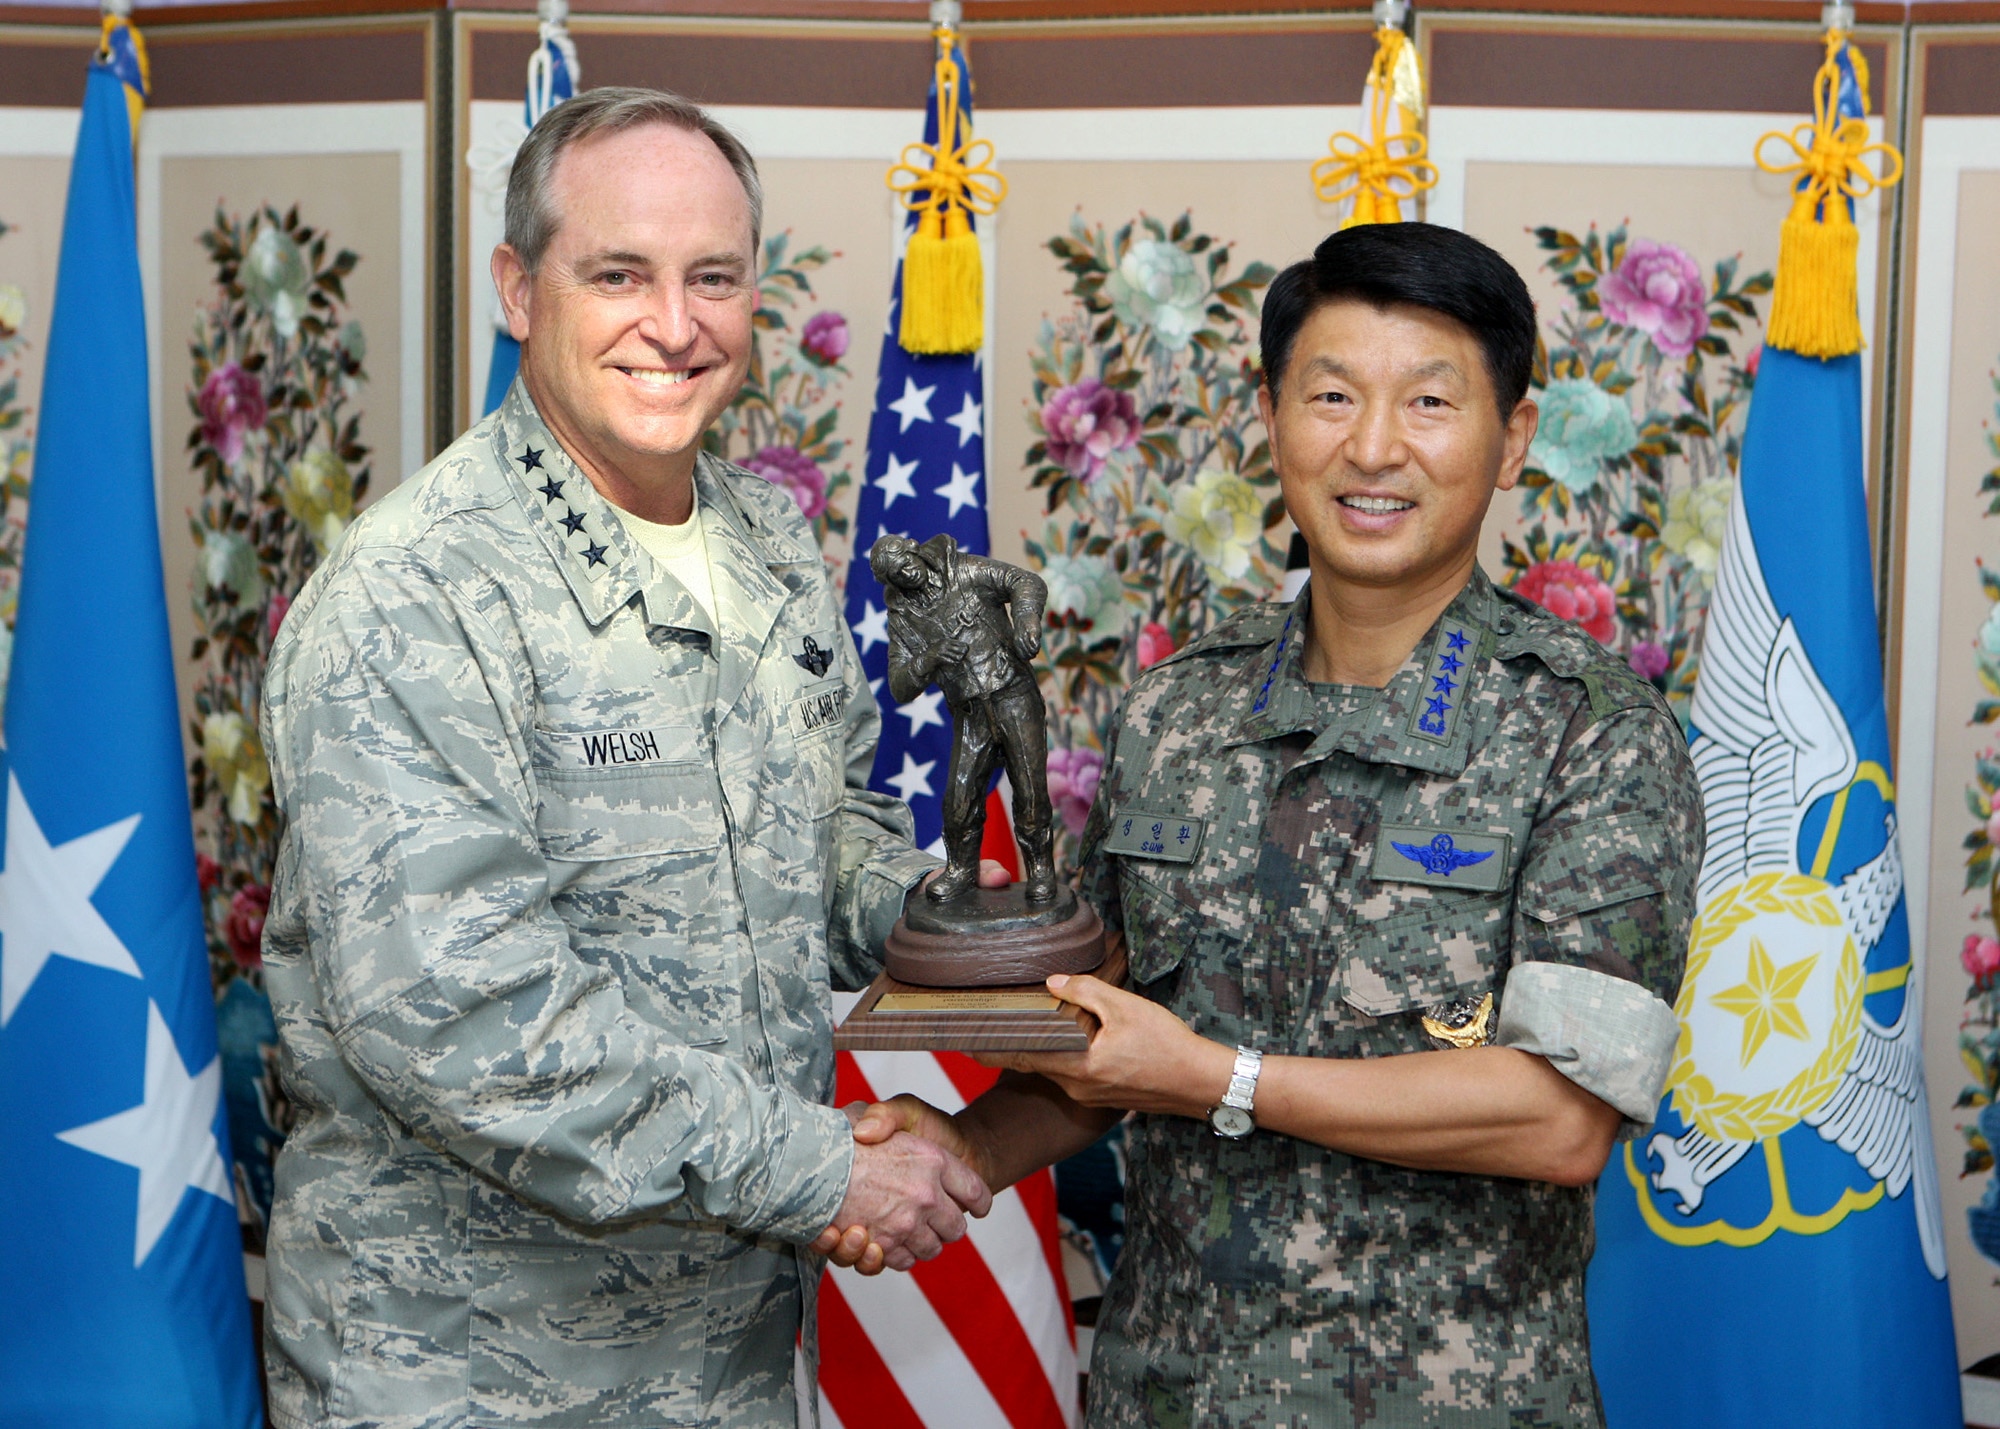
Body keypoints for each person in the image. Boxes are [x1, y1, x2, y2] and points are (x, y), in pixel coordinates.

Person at [826, 223, 1705, 1427]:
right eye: (1331, 395)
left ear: (1513, 439)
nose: (1373, 447)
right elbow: (1110, 1046)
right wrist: (963, 1151)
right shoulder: (1177, 708)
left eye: (1430, 401)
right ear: (1272, 415)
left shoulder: (1592, 731)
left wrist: (1216, 1076)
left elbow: (1554, 1118)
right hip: (1168, 1394)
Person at [257, 87, 996, 1429]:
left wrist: (944, 918)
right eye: (619, 275)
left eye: (713, 277)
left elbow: (810, 827)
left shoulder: (764, 539)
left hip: (729, 1353)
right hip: (470, 1371)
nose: (675, 325)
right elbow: (465, 1013)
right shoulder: (416, 593)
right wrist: (823, 1170)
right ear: (518, 289)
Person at [869, 533, 1059, 905]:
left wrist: (1026, 623)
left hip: (1013, 697)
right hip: (971, 715)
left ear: (916, 551)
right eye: (896, 574)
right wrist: (930, 657)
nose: (907, 573)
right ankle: (960, 869)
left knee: (1030, 792)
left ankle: (1040, 869)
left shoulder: (966, 571)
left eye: (906, 563)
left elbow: (1025, 581)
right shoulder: (904, 619)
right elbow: (899, 686)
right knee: (958, 800)